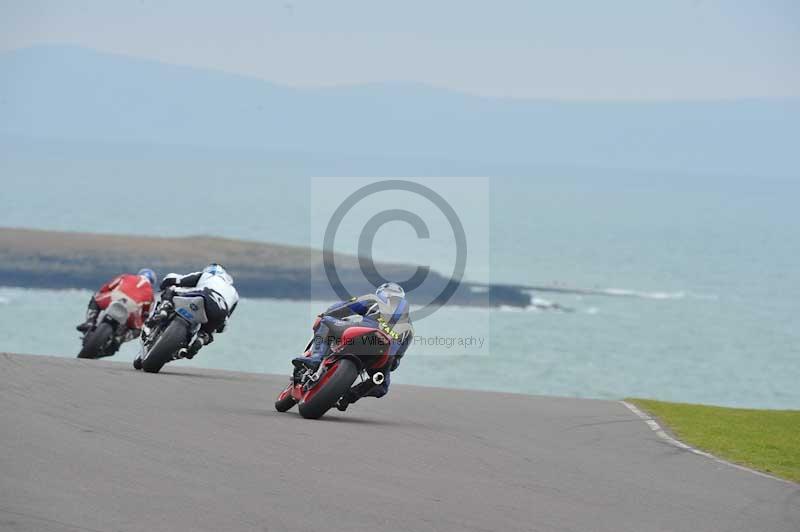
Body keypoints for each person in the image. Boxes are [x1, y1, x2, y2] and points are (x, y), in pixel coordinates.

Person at [292, 282, 414, 410]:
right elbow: (396, 361)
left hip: (361, 333)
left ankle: (315, 358)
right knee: (381, 387)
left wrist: (324, 315)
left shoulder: (374, 299)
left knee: (325, 322)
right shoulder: (409, 328)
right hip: (383, 354)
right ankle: (347, 397)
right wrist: (387, 366)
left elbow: (344, 307)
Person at [144, 263, 239, 360]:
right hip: (220, 313)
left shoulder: (206, 275)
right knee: (209, 331)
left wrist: (164, 284)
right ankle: (200, 340)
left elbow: (177, 280)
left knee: (172, 289)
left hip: (205, 295)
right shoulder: (234, 293)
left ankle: (164, 308)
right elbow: (223, 325)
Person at [76, 268, 157, 352]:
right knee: (139, 330)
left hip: (114, 297)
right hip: (132, 309)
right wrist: (138, 324)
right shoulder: (151, 294)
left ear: (139, 274)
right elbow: (145, 314)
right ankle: (120, 339)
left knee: (95, 298)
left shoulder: (126, 276)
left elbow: (106, 288)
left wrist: (104, 294)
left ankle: (90, 321)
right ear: (152, 282)